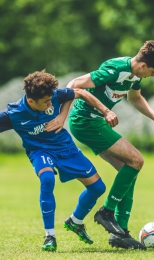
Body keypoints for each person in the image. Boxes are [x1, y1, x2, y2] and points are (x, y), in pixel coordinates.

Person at [66, 40, 154, 250]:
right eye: (153, 72)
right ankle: (106, 212)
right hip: (85, 120)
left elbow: (135, 98)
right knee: (136, 160)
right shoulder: (115, 70)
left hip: (94, 121)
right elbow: (74, 85)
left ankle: (120, 234)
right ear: (143, 66)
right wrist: (105, 110)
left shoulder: (134, 76)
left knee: (129, 170)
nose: (152, 76)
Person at [0, 70, 118, 251]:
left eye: (51, 99)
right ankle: (50, 236)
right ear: (31, 101)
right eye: (46, 102)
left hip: (65, 148)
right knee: (47, 179)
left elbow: (81, 92)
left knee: (98, 188)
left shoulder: (54, 95)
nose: (50, 103)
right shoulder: (14, 114)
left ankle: (75, 221)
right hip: (39, 151)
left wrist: (106, 111)